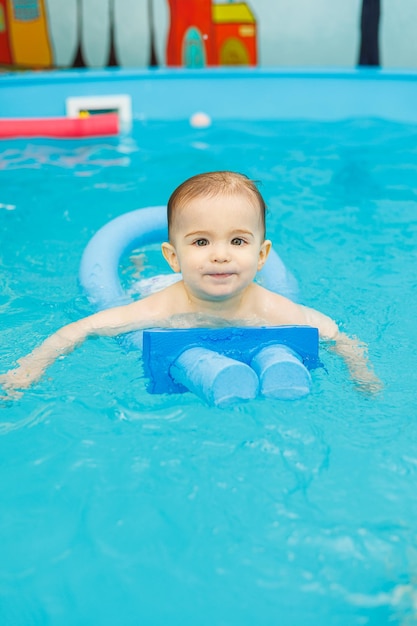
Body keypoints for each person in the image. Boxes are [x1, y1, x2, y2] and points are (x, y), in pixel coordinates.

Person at [0, 171, 381, 397]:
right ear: (173, 256)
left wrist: (361, 374)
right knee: (138, 280)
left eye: (237, 241)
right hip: (155, 286)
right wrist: (28, 370)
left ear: (262, 256)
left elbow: (334, 334)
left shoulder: (268, 306)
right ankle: (136, 266)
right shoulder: (162, 306)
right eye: (201, 242)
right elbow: (81, 329)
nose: (220, 255)